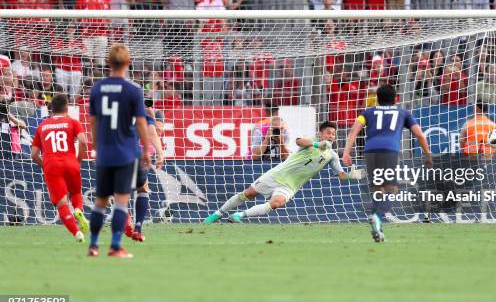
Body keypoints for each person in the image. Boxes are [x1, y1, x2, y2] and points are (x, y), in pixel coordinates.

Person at [204, 121, 364, 223]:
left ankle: (239, 216)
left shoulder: (332, 156)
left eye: (334, 134)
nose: (331, 136)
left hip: (290, 186)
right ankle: (217, 214)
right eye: (328, 132)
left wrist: (352, 176)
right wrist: (317, 144)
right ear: (321, 133)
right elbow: (298, 141)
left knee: (276, 203)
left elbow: (341, 175)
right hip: (276, 175)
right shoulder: (310, 141)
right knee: (248, 194)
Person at [342, 84, 432, 242]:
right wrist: (427, 154)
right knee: (392, 188)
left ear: (377, 98)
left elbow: (354, 130)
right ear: (395, 98)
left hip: (370, 151)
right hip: (389, 151)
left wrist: (346, 152)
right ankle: (377, 217)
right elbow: (419, 135)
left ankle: (378, 227)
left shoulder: (368, 112)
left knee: (378, 188)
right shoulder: (403, 113)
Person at [87, 44, 151, 258]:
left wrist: (96, 144)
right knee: (122, 201)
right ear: (128, 62)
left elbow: (93, 121)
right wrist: (147, 151)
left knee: (100, 201)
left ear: (108, 62)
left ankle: (93, 246)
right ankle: (115, 247)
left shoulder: (97, 88)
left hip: (104, 152)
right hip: (125, 153)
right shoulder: (133, 90)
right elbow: (141, 123)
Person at [31, 94, 89, 242]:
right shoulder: (73, 122)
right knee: (75, 192)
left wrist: (46, 166)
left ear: (51, 109)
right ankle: (77, 210)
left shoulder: (42, 126)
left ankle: (77, 233)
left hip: (51, 165)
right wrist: (78, 160)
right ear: (67, 107)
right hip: (70, 162)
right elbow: (83, 141)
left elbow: (34, 154)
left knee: (62, 203)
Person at [124, 100, 165, 242]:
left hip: (117, 153)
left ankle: (126, 220)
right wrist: (161, 154)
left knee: (120, 191)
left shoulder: (113, 112)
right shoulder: (141, 114)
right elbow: (154, 132)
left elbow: (159, 130)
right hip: (136, 154)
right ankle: (138, 229)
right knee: (141, 189)